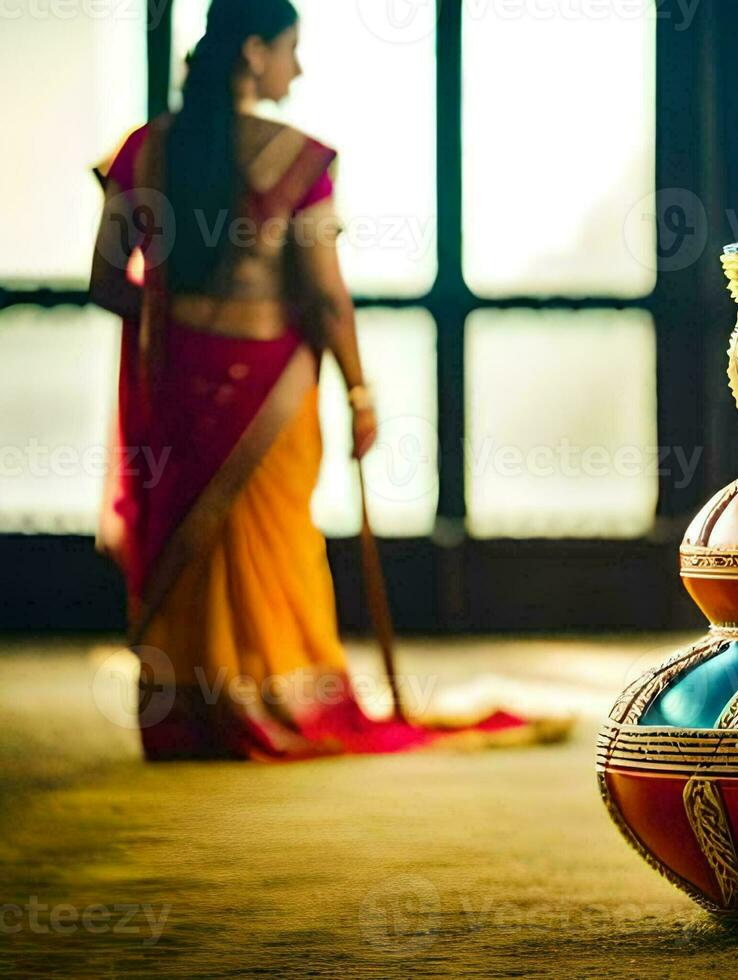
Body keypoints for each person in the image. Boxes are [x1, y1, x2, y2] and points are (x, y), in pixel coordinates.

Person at [90, 0, 567, 760]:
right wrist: (358, 389)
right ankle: (274, 695)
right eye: (290, 49)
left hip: (175, 388)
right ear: (253, 52)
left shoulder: (143, 152)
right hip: (269, 392)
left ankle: (189, 710)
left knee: (190, 541)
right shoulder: (299, 157)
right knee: (275, 548)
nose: (297, 67)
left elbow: (109, 284)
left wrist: (173, 321)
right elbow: (324, 296)